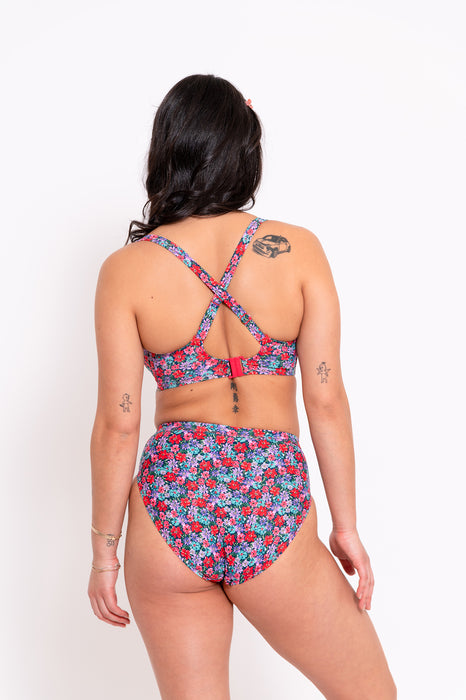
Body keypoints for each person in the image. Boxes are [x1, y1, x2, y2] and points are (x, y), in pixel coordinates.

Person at [88, 74, 396, 699]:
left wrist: (104, 552)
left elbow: (119, 422)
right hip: (268, 500)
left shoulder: (126, 271)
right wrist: (346, 527)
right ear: (244, 149)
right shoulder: (297, 250)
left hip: (172, 502)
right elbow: (326, 400)